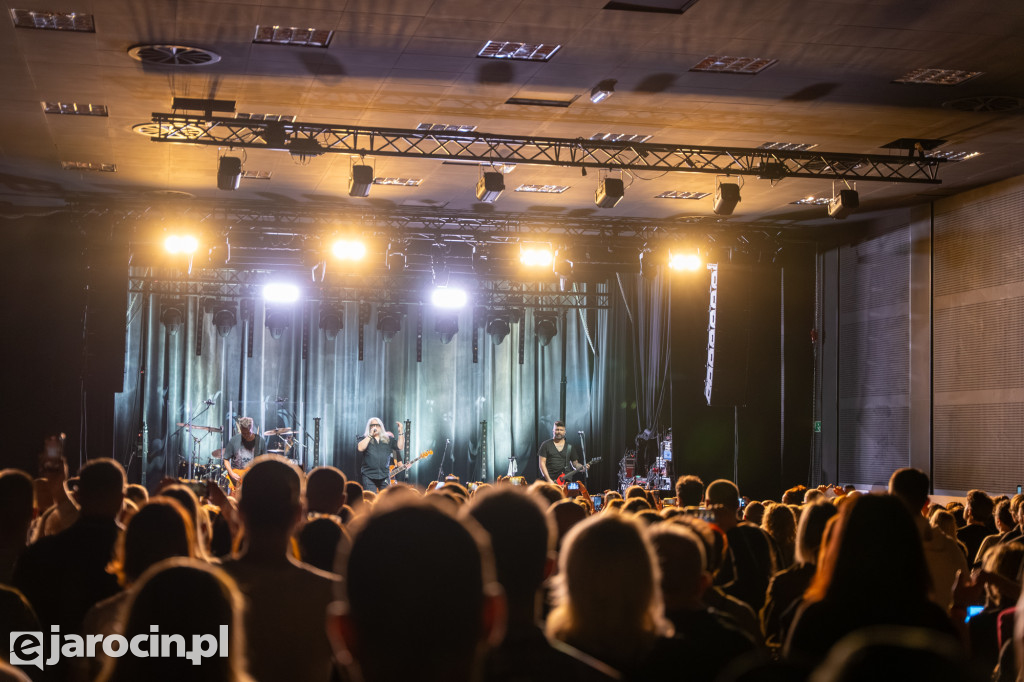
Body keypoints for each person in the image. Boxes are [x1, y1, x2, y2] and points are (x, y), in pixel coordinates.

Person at [356, 417, 405, 492]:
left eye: (377, 425)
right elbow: (360, 448)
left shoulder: (388, 439)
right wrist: (370, 435)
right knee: (371, 497)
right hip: (368, 474)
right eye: (372, 425)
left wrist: (400, 431)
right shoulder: (364, 438)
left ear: (381, 427)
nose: (375, 427)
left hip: (384, 475)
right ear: (369, 427)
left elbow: (400, 447)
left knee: (386, 497)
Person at [222, 417, 267, 490]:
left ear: (251, 428)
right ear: (240, 429)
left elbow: (265, 462)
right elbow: (226, 459)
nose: (246, 435)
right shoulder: (234, 440)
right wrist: (231, 473)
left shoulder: (260, 441)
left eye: (248, 433)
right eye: (243, 433)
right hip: (236, 479)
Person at [538, 421, 585, 485]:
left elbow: (575, 463)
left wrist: (581, 467)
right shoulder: (545, 445)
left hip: (565, 481)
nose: (559, 432)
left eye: (561, 430)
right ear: (553, 431)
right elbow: (542, 464)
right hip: (550, 481)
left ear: (565, 432)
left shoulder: (569, 447)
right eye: (557, 429)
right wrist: (549, 480)